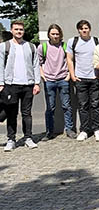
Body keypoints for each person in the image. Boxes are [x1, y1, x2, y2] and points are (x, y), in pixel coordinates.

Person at [1, 20, 41, 152]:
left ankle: (28, 137)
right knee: (11, 113)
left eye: (21, 29)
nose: (19, 32)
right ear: (11, 30)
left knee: (27, 113)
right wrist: (1, 83)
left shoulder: (31, 47)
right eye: (16, 29)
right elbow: (0, 66)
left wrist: (36, 82)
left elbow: (36, 65)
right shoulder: (4, 46)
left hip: (28, 85)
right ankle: (11, 139)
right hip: (10, 84)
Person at [38, 24, 75, 140]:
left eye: (57, 34)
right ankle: (49, 132)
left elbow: (71, 61)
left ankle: (69, 129)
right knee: (50, 108)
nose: (55, 36)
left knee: (66, 106)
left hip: (63, 79)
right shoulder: (42, 47)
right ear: (49, 34)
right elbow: (38, 63)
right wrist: (43, 76)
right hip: (49, 80)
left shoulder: (65, 46)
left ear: (60, 35)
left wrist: (68, 75)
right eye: (53, 34)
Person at [67, 19, 99, 141]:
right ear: (78, 30)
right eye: (82, 28)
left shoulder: (97, 41)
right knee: (83, 106)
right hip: (80, 79)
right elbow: (69, 59)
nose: (84, 30)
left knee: (96, 105)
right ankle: (85, 130)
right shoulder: (73, 42)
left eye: (86, 28)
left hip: (94, 78)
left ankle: (97, 129)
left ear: (89, 29)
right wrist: (72, 75)